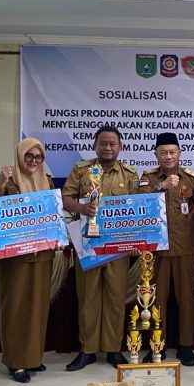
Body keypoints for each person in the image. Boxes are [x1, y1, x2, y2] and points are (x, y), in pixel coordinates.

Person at [62, 126, 139, 370]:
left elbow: (138, 207)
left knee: (116, 297)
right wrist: (81, 209)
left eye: (112, 144)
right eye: (103, 143)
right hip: (87, 243)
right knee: (88, 296)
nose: (107, 147)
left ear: (120, 147)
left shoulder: (130, 174)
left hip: (117, 246)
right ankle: (88, 350)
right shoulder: (82, 170)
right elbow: (65, 198)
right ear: (95, 146)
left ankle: (113, 349)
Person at [0, 138, 57, 382]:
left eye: (38, 157)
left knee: (38, 307)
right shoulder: (9, 181)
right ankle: (15, 361)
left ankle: (32, 358)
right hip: (15, 257)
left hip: (43, 254)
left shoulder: (47, 181)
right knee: (15, 307)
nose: (34, 161)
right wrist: (1, 182)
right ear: (20, 156)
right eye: (29, 156)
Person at [137, 132, 194, 366]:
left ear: (179, 154)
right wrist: (162, 186)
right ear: (156, 154)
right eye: (163, 152)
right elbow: (139, 204)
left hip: (186, 246)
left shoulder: (191, 178)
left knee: (186, 299)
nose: (168, 156)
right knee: (156, 299)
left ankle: (186, 346)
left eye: (172, 152)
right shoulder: (148, 178)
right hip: (156, 249)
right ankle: (158, 344)